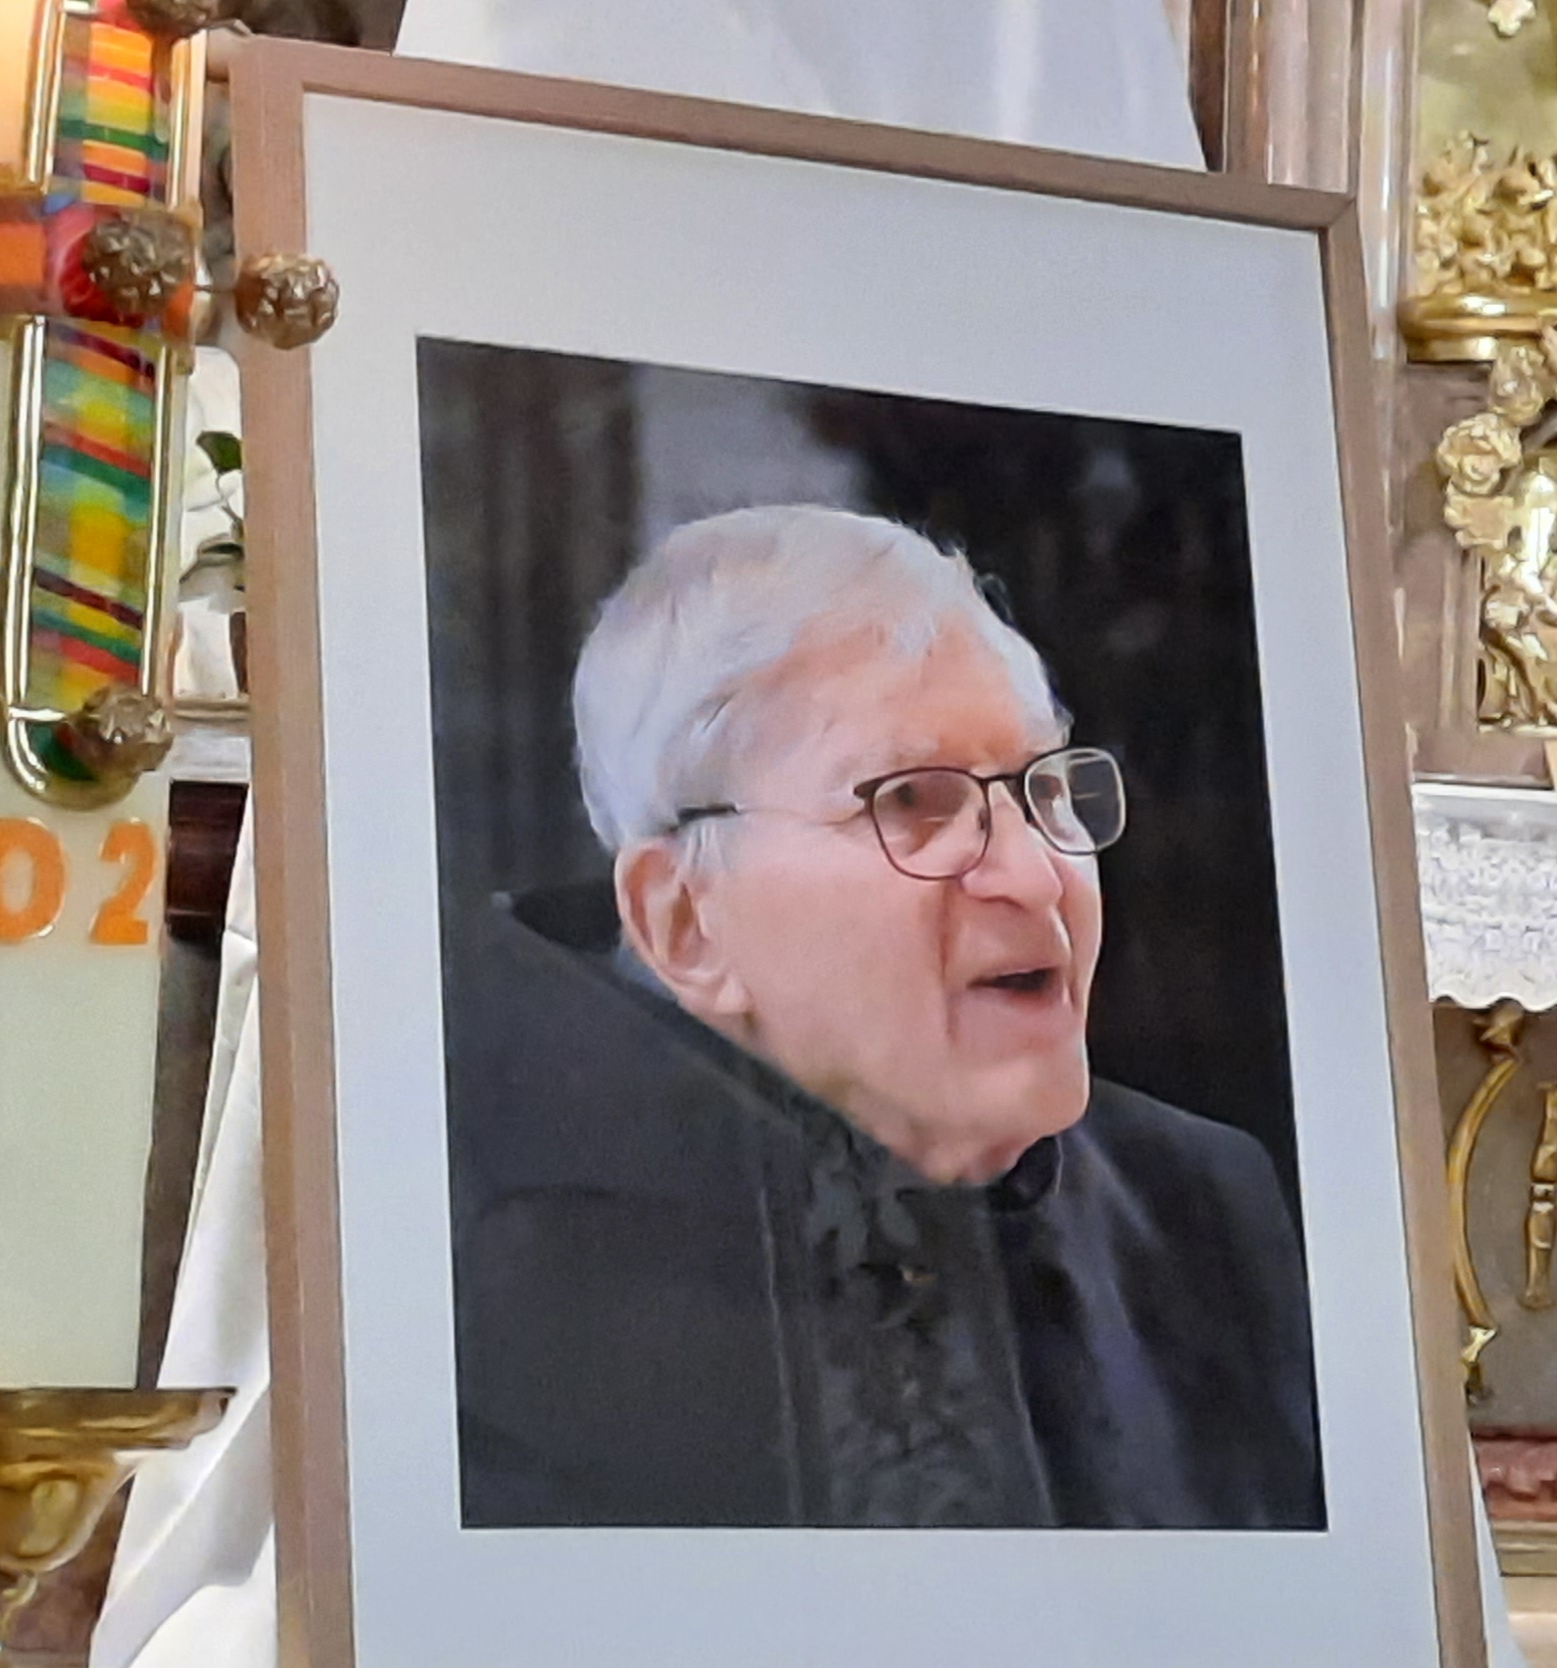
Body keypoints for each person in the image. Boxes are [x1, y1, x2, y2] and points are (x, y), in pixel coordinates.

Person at [444, 503, 1327, 1531]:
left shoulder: (1204, 1206)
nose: (1036, 874)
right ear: (686, 921)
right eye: (912, 801)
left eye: (1042, 790)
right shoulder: (479, 1262)